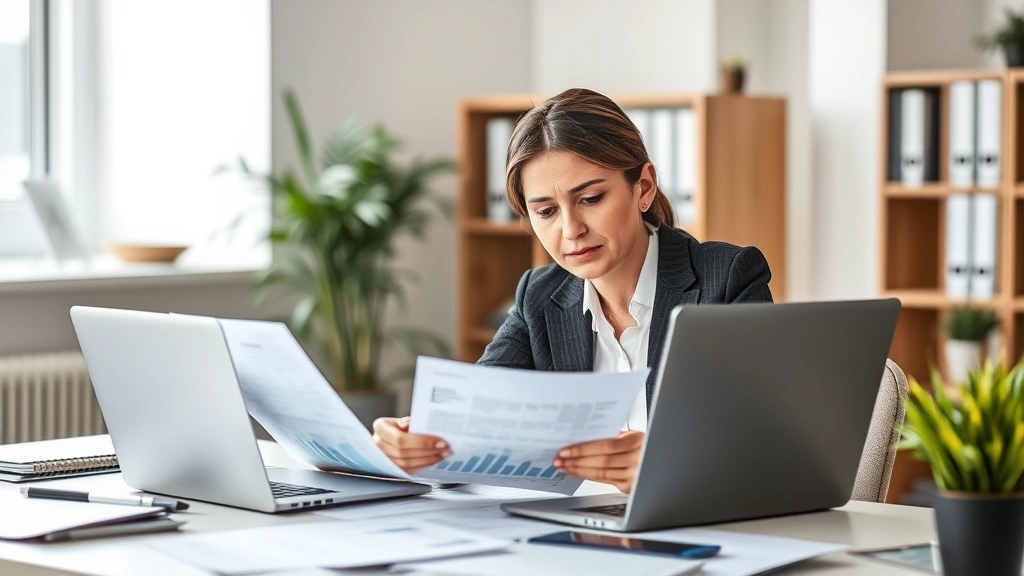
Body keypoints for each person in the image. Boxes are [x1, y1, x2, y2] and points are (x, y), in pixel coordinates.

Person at [373, 88, 773, 493]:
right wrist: (420, 440)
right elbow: (473, 422)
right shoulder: (539, 296)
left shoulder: (727, 279)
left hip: (704, 529)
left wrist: (669, 463)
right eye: (546, 211)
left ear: (644, 187)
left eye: (591, 198)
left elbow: (768, 442)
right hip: (578, 534)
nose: (571, 230)